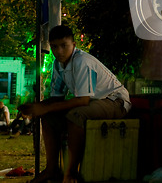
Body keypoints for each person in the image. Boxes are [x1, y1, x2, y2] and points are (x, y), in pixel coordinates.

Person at [19, 25, 131, 183]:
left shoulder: (82, 62)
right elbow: (57, 98)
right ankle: (52, 169)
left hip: (115, 100)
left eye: (64, 46)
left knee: (76, 115)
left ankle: (71, 173)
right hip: (94, 102)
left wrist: (44, 107)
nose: (59, 51)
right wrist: (37, 107)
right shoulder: (58, 65)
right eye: (54, 47)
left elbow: (82, 100)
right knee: (49, 117)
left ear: (74, 45)